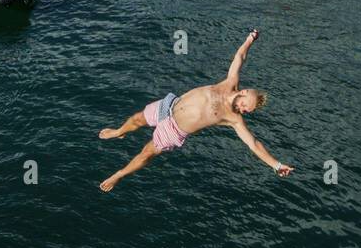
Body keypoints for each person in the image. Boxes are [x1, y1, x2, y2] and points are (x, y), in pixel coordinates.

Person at [97, 29, 292, 189]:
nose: (242, 110)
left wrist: (276, 165)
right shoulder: (230, 81)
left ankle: (119, 174)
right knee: (136, 119)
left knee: (146, 153)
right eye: (244, 105)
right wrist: (250, 39)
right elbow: (240, 56)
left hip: (174, 130)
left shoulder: (234, 119)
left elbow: (254, 144)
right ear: (243, 92)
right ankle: (119, 132)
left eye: (246, 111)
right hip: (170, 106)